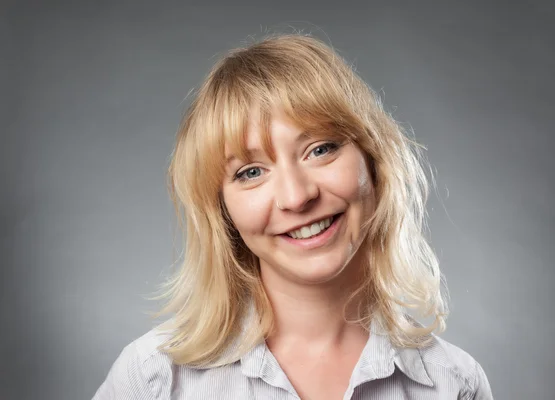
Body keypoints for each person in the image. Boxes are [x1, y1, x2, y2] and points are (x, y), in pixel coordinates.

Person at [93, 33, 493, 400]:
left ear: (374, 161)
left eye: (320, 149)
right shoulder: (152, 380)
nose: (296, 197)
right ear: (223, 211)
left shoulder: (453, 384)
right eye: (250, 173)